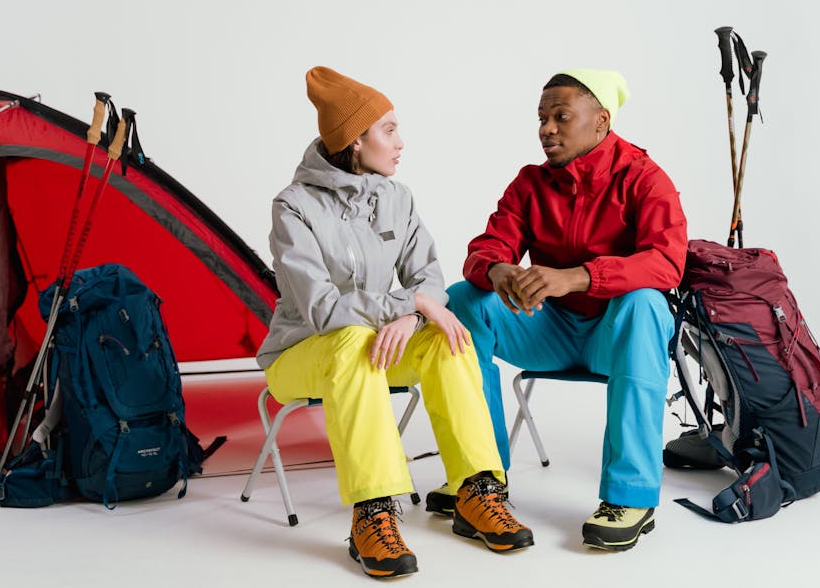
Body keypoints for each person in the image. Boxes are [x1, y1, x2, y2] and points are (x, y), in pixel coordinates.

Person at [255, 66, 534, 578]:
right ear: (355, 140)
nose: (400, 142)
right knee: (353, 344)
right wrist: (410, 307)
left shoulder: (396, 197)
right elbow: (322, 309)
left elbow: (428, 276)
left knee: (451, 339)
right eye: (388, 130)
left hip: (378, 348)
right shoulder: (292, 207)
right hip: (302, 353)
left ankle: (476, 488)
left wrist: (414, 312)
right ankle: (374, 513)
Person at [426, 69, 687, 552]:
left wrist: (577, 276)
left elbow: (667, 262)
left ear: (601, 121)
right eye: (542, 118)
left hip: (616, 337)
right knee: (465, 299)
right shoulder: (530, 184)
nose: (547, 128)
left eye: (561, 116)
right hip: (547, 329)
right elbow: (486, 247)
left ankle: (630, 497)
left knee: (647, 303)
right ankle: (479, 477)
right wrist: (500, 270)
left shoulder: (646, 179)